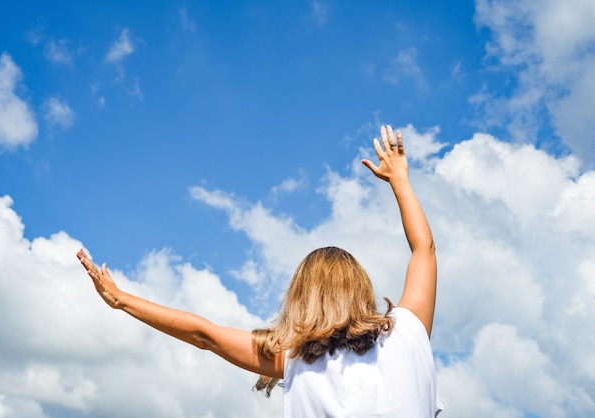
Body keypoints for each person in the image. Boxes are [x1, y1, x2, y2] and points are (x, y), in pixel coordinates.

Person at [77, 125, 442, 417]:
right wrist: (400, 181)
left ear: (301, 298)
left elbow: (202, 333)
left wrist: (123, 300)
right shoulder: (408, 334)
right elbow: (423, 249)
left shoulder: (292, 358)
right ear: (361, 288)